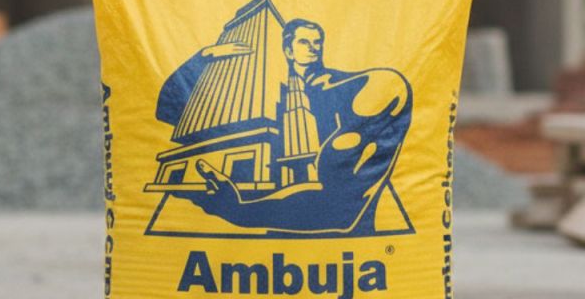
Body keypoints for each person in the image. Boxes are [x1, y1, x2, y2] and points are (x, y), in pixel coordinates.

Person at [177, 18, 413, 235]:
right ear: (288, 50)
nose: (313, 48)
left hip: (345, 257)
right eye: (304, 42)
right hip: (267, 253)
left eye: (317, 42)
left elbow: (339, 212)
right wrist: (206, 55)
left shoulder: (365, 92)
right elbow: (166, 105)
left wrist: (237, 210)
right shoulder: (272, 98)